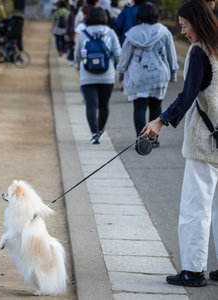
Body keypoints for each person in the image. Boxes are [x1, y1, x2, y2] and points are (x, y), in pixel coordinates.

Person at [141, 0, 218, 287]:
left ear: (197, 22)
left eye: (184, 26)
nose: (183, 31)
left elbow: (187, 96)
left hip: (205, 142)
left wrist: (159, 122)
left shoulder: (200, 53)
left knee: (195, 207)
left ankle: (194, 270)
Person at [117, 2, 178, 145]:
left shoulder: (132, 34)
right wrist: (173, 73)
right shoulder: (164, 32)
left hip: (138, 76)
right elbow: (171, 56)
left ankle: (141, 139)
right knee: (156, 106)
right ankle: (153, 138)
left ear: (140, 16)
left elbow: (124, 58)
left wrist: (120, 74)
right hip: (159, 75)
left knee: (139, 107)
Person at [74, 7, 121, 144]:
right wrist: (120, 71)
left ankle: (94, 133)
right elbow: (118, 54)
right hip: (107, 76)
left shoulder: (83, 33)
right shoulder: (110, 33)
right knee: (104, 105)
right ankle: (100, 130)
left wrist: (78, 67)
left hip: (87, 75)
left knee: (91, 105)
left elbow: (77, 54)